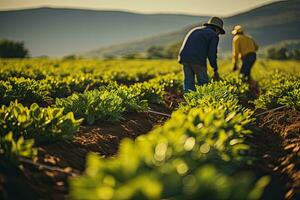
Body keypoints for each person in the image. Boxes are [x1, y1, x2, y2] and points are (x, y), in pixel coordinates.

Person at [178, 17, 225, 92]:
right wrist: (215, 69)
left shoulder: (195, 30)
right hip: (197, 60)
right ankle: (204, 100)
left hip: (184, 58)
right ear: (217, 29)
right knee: (204, 83)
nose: (218, 34)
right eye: (219, 32)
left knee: (188, 81)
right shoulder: (213, 35)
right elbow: (212, 54)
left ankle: (189, 100)